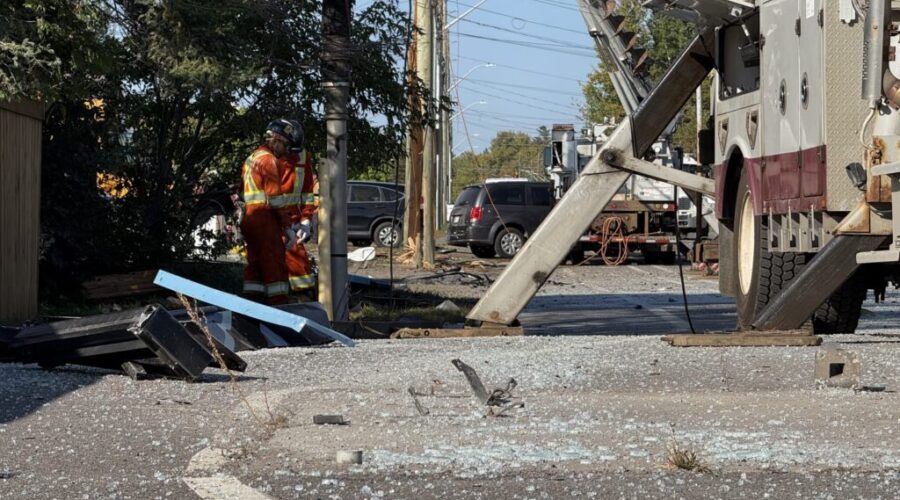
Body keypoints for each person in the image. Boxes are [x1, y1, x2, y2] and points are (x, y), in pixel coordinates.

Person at [239, 119, 300, 305]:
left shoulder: (253, 158)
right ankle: (279, 304)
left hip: (250, 216)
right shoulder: (269, 160)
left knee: (255, 264)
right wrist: (288, 227)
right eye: (286, 145)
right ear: (277, 140)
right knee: (274, 262)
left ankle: (252, 303)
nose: (286, 151)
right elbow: (275, 199)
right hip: (264, 218)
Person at [273, 122, 318, 301]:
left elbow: (307, 191)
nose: (293, 153)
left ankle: (302, 301)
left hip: (293, 221)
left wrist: (306, 219)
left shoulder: (302, 156)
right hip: (272, 221)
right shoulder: (265, 158)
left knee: (298, 265)